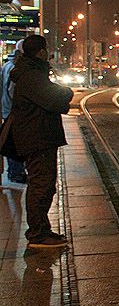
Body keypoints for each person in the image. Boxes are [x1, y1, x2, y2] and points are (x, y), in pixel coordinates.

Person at [4, 35, 74, 248]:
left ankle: (41, 229)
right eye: (46, 49)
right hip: (37, 137)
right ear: (41, 52)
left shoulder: (30, 72)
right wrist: (67, 92)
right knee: (41, 184)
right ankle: (37, 233)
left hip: (38, 135)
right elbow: (55, 100)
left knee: (43, 184)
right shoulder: (32, 75)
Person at [1, 40, 27, 183]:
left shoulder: (7, 65)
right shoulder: (15, 68)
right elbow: (13, 91)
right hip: (13, 110)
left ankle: (14, 171)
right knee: (15, 143)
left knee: (11, 141)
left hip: (7, 109)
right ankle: (16, 172)